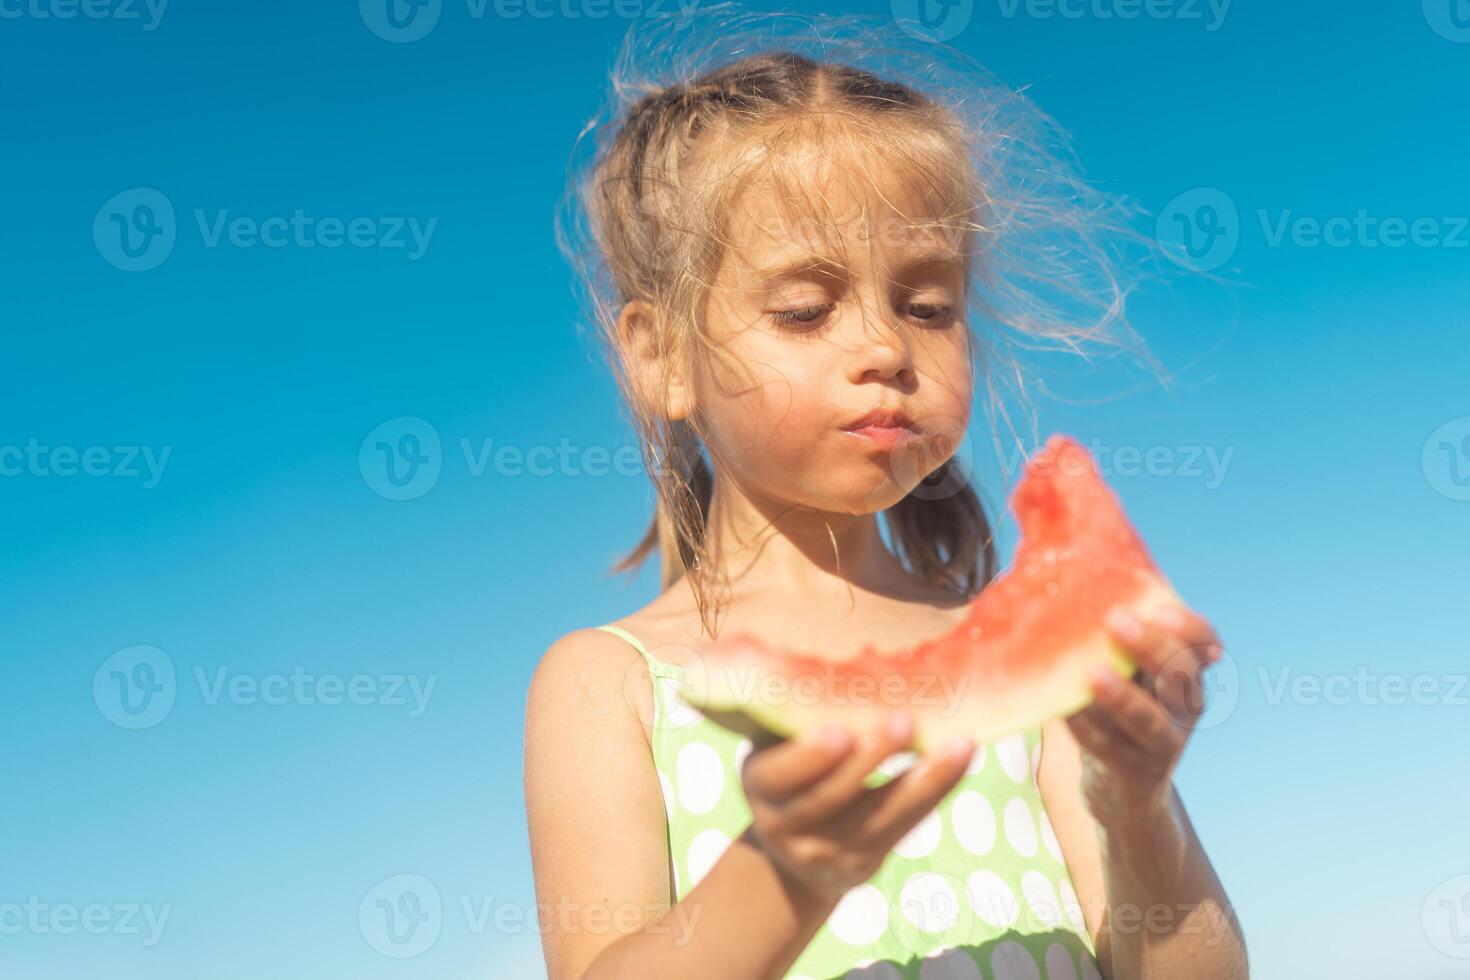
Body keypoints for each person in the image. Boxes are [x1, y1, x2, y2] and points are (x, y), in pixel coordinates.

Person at [525, 14, 1248, 979]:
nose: (885, 349)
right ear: (662, 357)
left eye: (927, 306)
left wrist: (1138, 811)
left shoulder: (1046, 692)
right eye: (805, 311)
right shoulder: (607, 682)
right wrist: (784, 871)